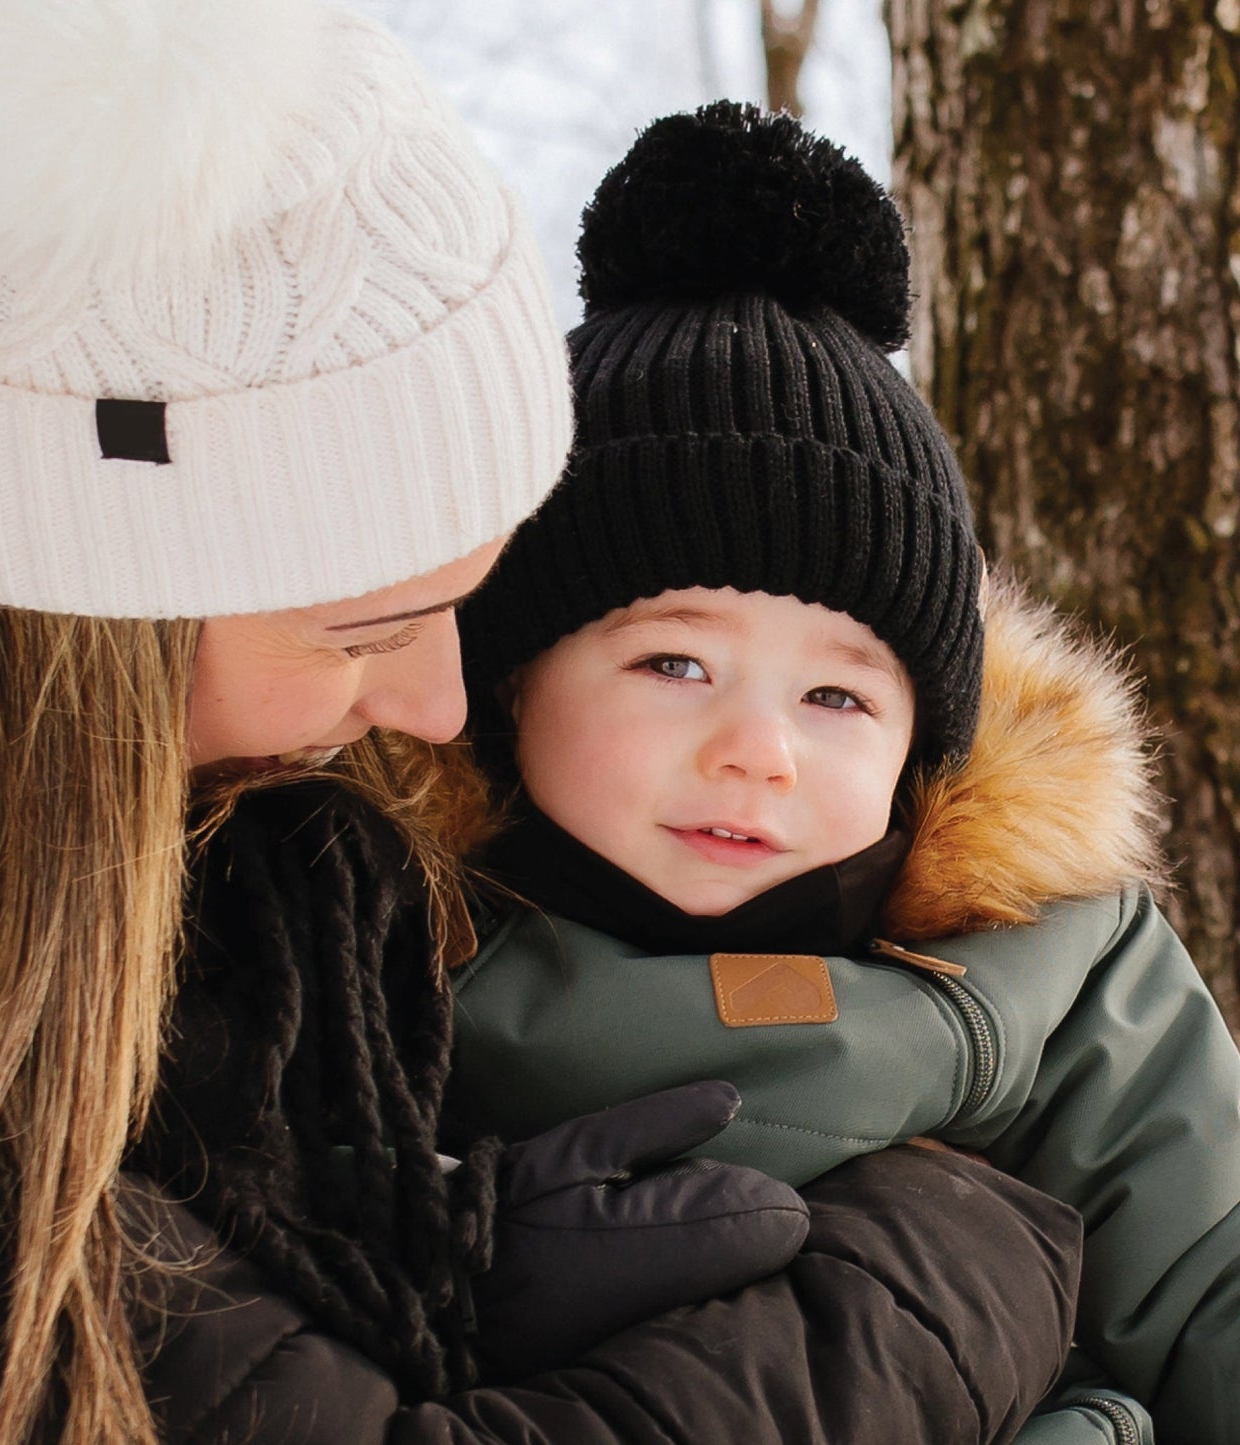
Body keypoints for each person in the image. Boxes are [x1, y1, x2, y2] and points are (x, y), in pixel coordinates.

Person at [0, 4, 1084, 1440]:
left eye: (455, 617)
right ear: (98, 603)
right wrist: (929, 1284)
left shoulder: (219, 849)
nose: (435, 709)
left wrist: (428, 1260)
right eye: (364, 630)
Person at [451, 103, 1240, 1445]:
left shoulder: (1046, 964)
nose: (757, 748)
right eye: (673, 665)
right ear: (508, 680)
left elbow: (1209, 1276)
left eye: (835, 694)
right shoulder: (355, 958)